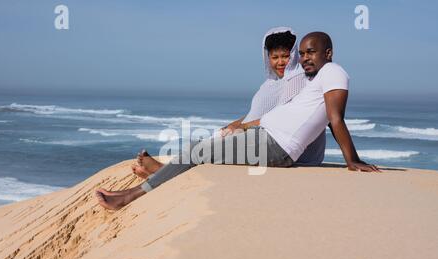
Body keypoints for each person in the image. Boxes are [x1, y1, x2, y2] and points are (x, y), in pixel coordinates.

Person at [96, 32, 380, 211]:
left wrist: (351, 160)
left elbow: (335, 119)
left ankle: (128, 198)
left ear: (327, 53)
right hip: (268, 137)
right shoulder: (316, 78)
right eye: (302, 53)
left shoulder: (334, 71)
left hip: (276, 144)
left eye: (311, 52)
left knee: (197, 150)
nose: (304, 58)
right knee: (199, 149)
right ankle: (158, 180)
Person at [131, 27, 326, 180]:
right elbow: (256, 112)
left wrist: (242, 126)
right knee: (208, 144)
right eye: (274, 57)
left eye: (285, 56)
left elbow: (281, 118)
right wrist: (237, 122)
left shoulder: (298, 81)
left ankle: (162, 172)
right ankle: (167, 172)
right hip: (259, 135)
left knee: (199, 149)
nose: (280, 62)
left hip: (283, 149)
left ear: (293, 55)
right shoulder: (270, 84)